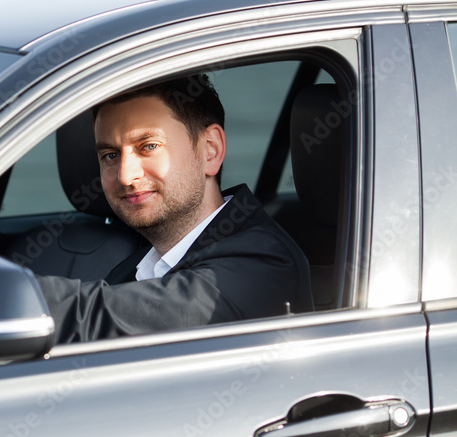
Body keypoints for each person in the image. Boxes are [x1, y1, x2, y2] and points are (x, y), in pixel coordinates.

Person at [35, 73, 313, 343]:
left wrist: (3, 295)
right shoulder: (138, 264)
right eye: (110, 155)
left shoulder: (262, 267)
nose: (124, 175)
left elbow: (95, 317)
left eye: (149, 146)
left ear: (210, 150)